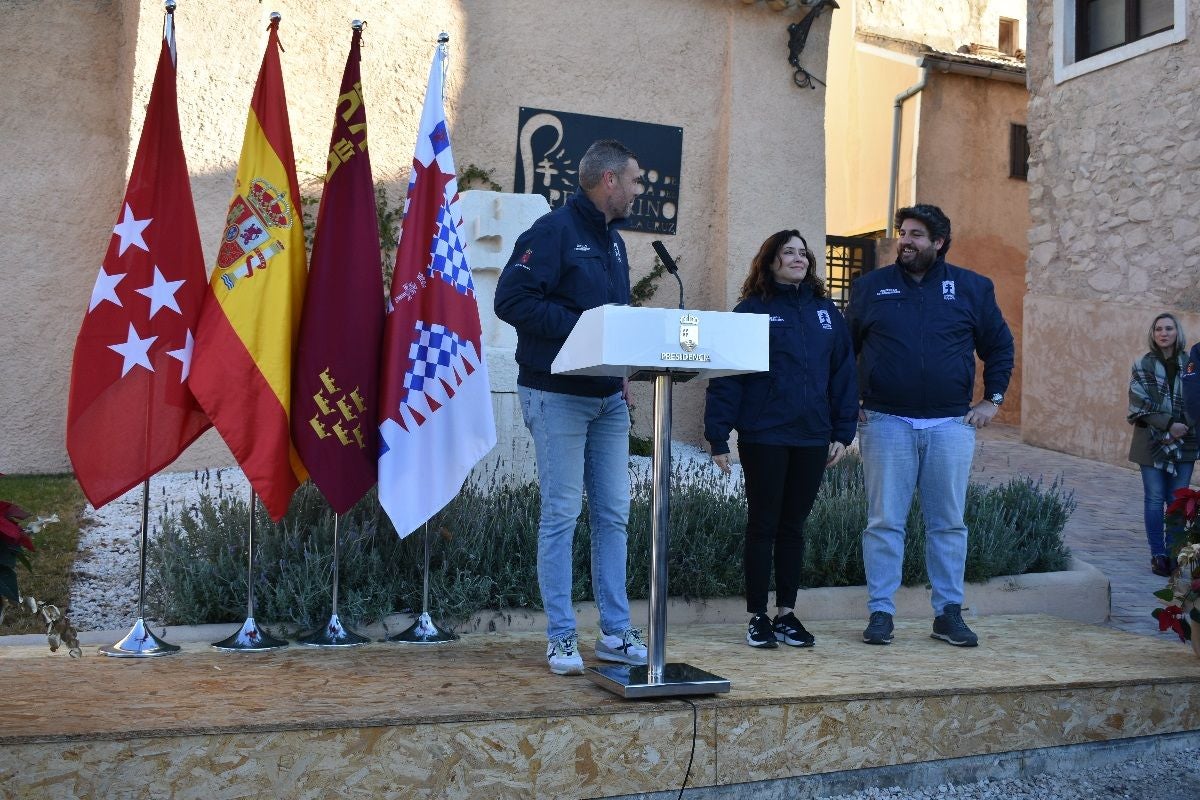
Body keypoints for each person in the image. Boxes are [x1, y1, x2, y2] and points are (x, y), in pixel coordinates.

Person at [493, 139, 647, 676]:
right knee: (561, 515)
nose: (636, 191)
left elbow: (617, 320)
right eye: (632, 181)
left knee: (613, 516)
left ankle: (616, 632)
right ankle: (561, 637)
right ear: (608, 181)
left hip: (608, 400)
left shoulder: (616, 243)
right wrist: (584, 335)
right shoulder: (553, 231)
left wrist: (622, 371)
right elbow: (510, 301)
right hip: (556, 395)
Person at [846, 204, 1014, 648]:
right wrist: (849, 405)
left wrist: (991, 402)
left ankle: (948, 614)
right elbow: (844, 351)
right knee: (884, 522)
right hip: (885, 421)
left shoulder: (972, 288)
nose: (907, 241)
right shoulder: (871, 287)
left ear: (939, 242)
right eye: (903, 233)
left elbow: (999, 346)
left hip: (950, 424)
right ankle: (881, 613)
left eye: (917, 235)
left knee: (948, 524)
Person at [704, 230, 858, 649]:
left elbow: (844, 375)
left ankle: (787, 613)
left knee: (794, 527)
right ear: (770, 261)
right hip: (765, 435)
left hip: (813, 436)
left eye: (802, 252)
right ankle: (757, 616)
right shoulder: (751, 310)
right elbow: (727, 376)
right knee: (763, 525)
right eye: (788, 252)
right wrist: (718, 436)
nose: (798, 258)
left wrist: (843, 432)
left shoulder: (827, 313)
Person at [1127, 313, 1197, 577]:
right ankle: (1158, 555)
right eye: (1158, 329)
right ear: (1153, 334)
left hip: (1186, 440)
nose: (1163, 333)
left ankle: (1173, 554)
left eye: (1169, 328)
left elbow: (1197, 398)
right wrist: (1168, 425)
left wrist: (1182, 427)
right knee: (1155, 499)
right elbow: (1138, 401)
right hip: (1151, 441)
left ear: (1177, 332)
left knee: (1177, 501)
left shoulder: (1192, 363)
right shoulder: (1142, 364)